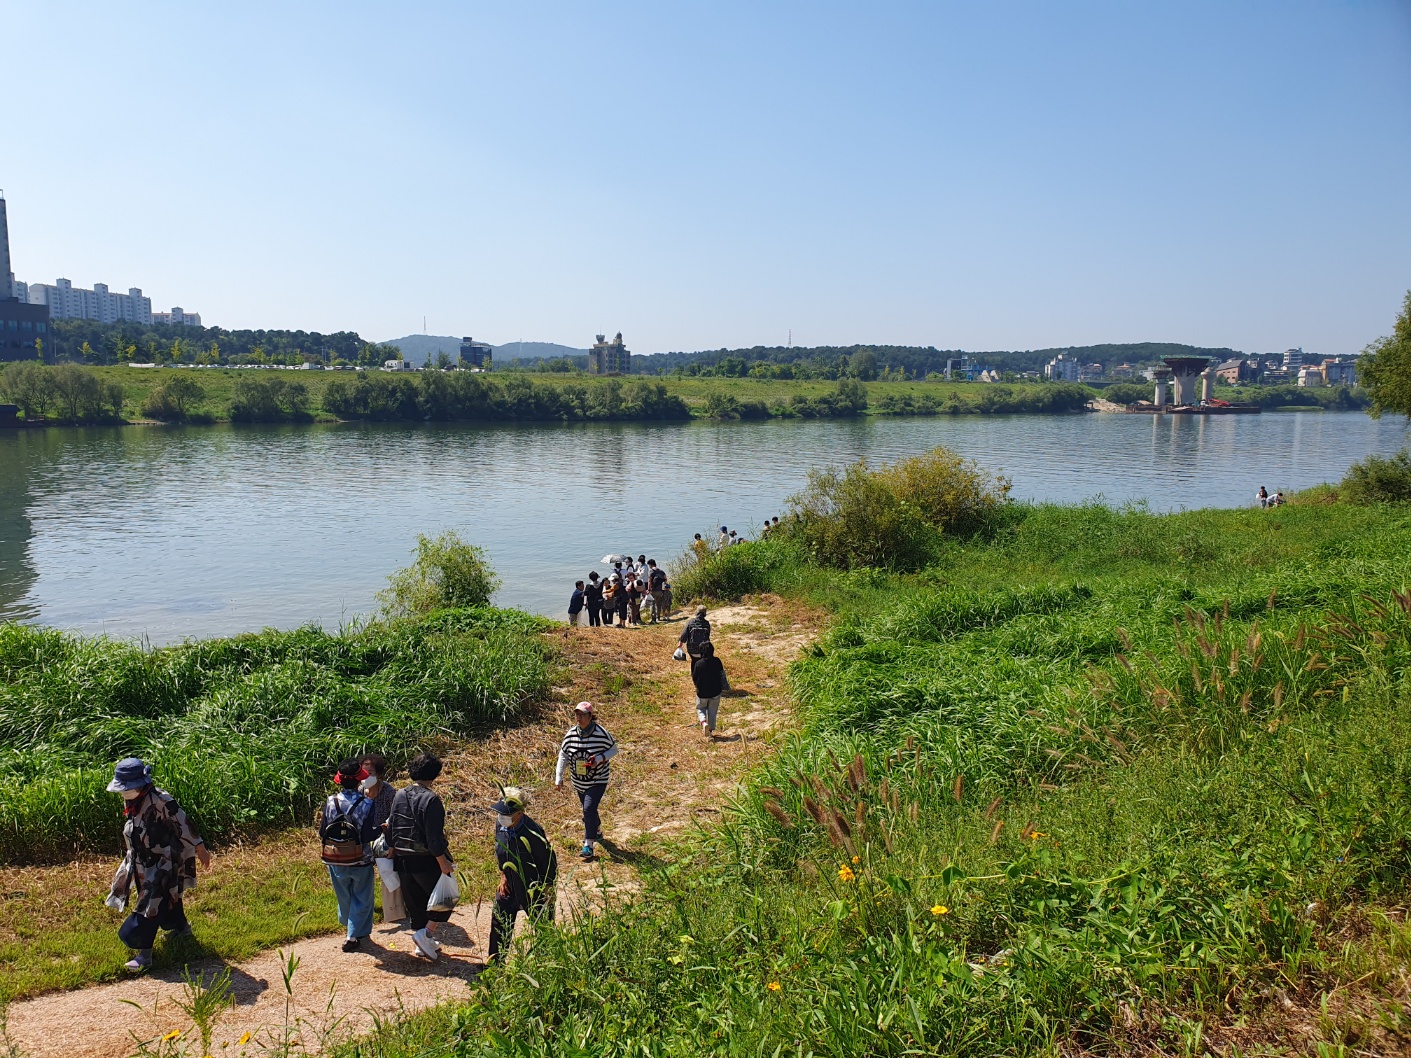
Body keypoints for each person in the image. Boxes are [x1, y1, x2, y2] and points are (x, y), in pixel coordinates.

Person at [104, 757, 211, 972]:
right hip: (141, 860)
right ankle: (181, 929)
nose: (124, 793)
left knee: (149, 904)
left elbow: (182, 820)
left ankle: (144, 955)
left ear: (142, 783)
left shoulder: (161, 799)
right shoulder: (133, 800)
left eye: (128, 788)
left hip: (164, 862)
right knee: (168, 899)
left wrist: (200, 848)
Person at [387, 752, 455, 960]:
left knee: (416, 902)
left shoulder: (399, 794)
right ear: (435, 774)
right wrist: (443, 862)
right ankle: (425, 935)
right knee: (445, 898)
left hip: (402, 859)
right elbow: (433, 838)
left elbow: (392, 826)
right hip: (426, 859)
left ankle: (421, 942)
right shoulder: (431, 799)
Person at [487, 786, 557, 965]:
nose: (502, 817)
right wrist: (503, 873)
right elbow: (500, 850)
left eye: (507, 813)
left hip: (533, 886)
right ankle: (494, 966)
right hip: (509, 884)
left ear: (519, 813)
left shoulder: (532, 831)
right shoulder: (500, 825)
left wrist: (548, 887)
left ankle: (547, 965)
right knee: (499, 923)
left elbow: (548, 860)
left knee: (543, 928)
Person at [319, 759, 379, 952]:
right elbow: (370, 834)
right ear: (360, 780)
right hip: (361, 858)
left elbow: (323, 832)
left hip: (335, 858)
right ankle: (353, 936)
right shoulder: (367, 804)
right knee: (362, 896)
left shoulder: (330, 802)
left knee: (344, 895)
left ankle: (349, 924)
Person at [556, 702, 619, 860]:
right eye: (577, 714)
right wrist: (559, 777)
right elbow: (563, 755)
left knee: (588, 809)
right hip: (579, 782)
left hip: (598, 780)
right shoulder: (571, 734)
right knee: (589, 810)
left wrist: (599, 759)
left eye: (582, 714)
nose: (579, 718)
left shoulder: (601, 733)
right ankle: (596, 829)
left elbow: (614, 749)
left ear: (590, 716)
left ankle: (588, 845)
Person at [361, 753, 405, 923]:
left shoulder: (388, 792)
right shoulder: (360, 791)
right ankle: (366, 906)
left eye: (370, 773)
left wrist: (392, 845)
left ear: (379, 774)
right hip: (366, 837)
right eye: (363, 773)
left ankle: (395, 909)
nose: (366, 777)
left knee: (388, 874)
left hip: (384, 838)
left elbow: (395, 817)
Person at [691, 642, 728, 737]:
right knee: (712, 710)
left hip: (702, 692)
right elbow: (722, 675)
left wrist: (697, 687)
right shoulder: (717, 661)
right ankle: (710, 731)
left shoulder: (698, 664)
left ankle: (704, 723)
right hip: (715, 691)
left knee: (700, 708)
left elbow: (694, 677)